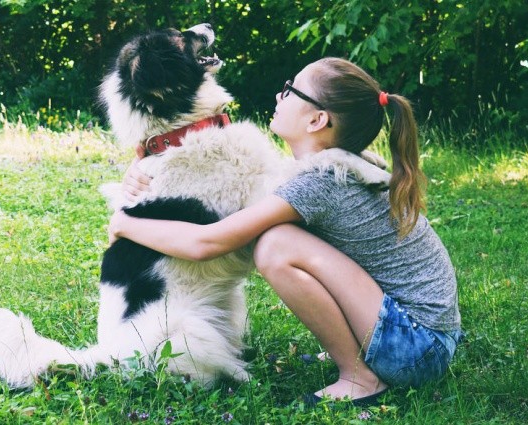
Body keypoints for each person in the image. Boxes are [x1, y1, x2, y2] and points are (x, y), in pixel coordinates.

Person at [108, 57, 462, 406]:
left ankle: (361, 379)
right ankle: (362, 352)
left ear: (317, 119)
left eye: (291, 91)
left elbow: (208, 242)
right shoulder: (331, 167)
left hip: (416, 348)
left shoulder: (318, 184)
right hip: (425, 339)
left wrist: (126, 225)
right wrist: (140, 167)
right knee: (280, 240)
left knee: (275, 246)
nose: (280, 96)